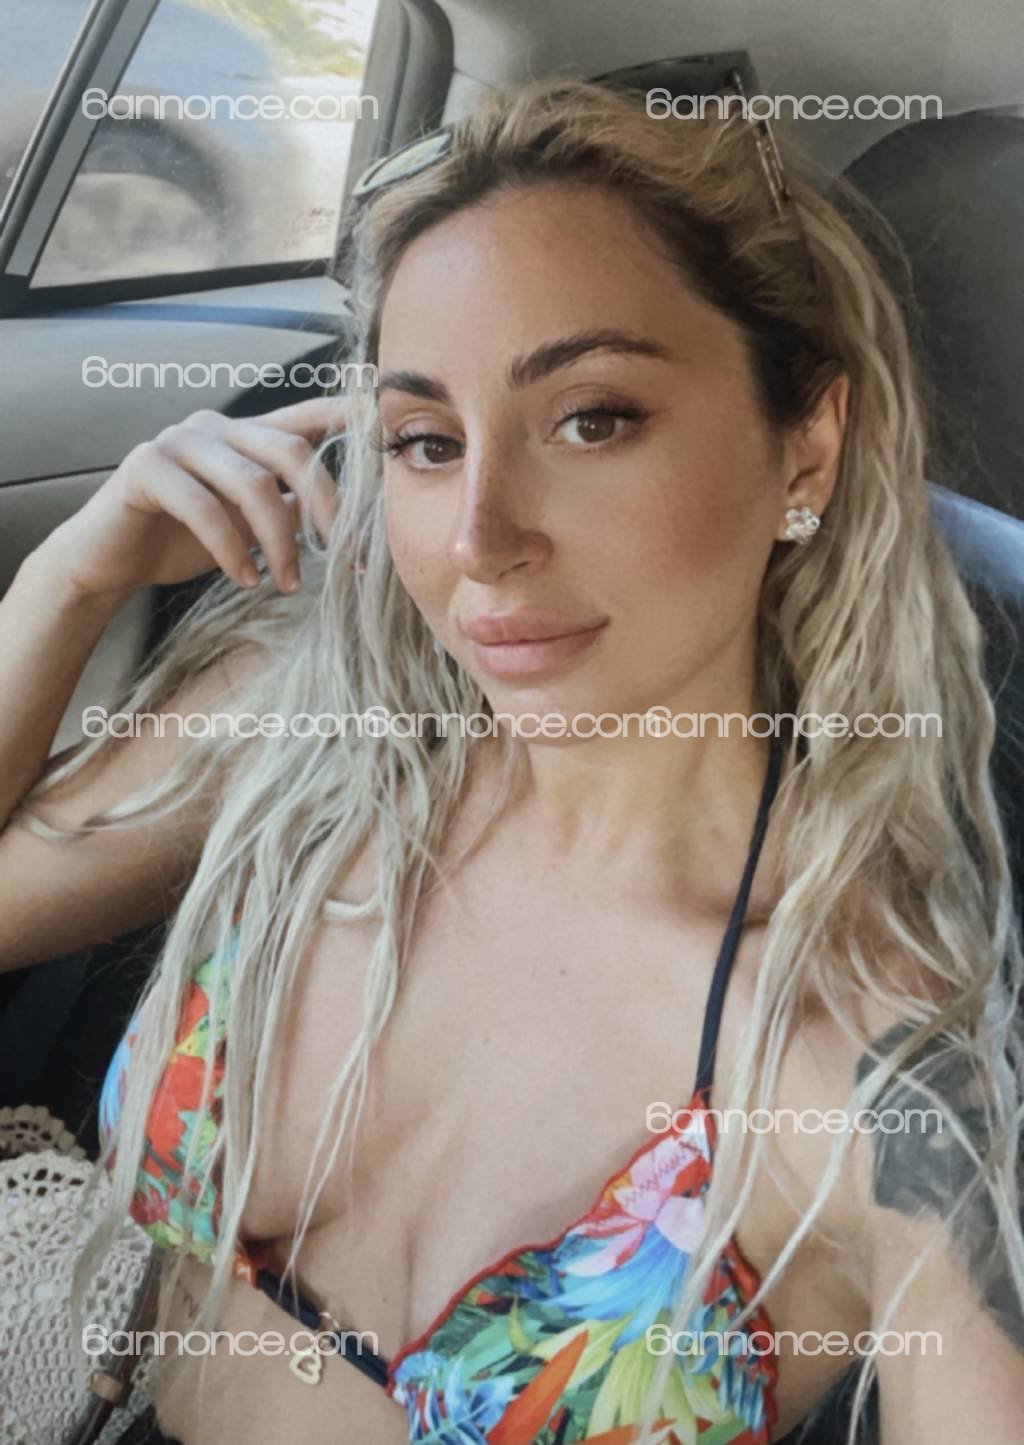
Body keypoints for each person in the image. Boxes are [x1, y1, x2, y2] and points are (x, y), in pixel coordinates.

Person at [1, 76, 1021, 1445]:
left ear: (807, 448)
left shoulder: (859, 1053)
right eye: (426, 443)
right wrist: (70, 583)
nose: (481, 538)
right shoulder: (316, 744)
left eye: (592, 418)